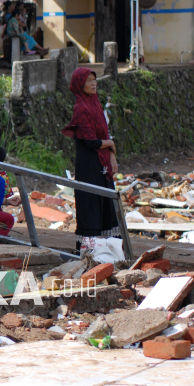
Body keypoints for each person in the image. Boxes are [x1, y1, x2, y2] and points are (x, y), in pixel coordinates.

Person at [62, 68, 120, 252]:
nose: (93, 84)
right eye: (88, 81)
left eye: (94, 80)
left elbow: (103, 134)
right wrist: (110, 143)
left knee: (107, 203)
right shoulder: (81, 108)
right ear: (80, 84)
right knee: (91, 203)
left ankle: (109, 249)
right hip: (89, 164)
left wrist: (112, 156)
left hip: (102, 163)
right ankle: (89, 249)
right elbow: (90, 141)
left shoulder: (95, 104)